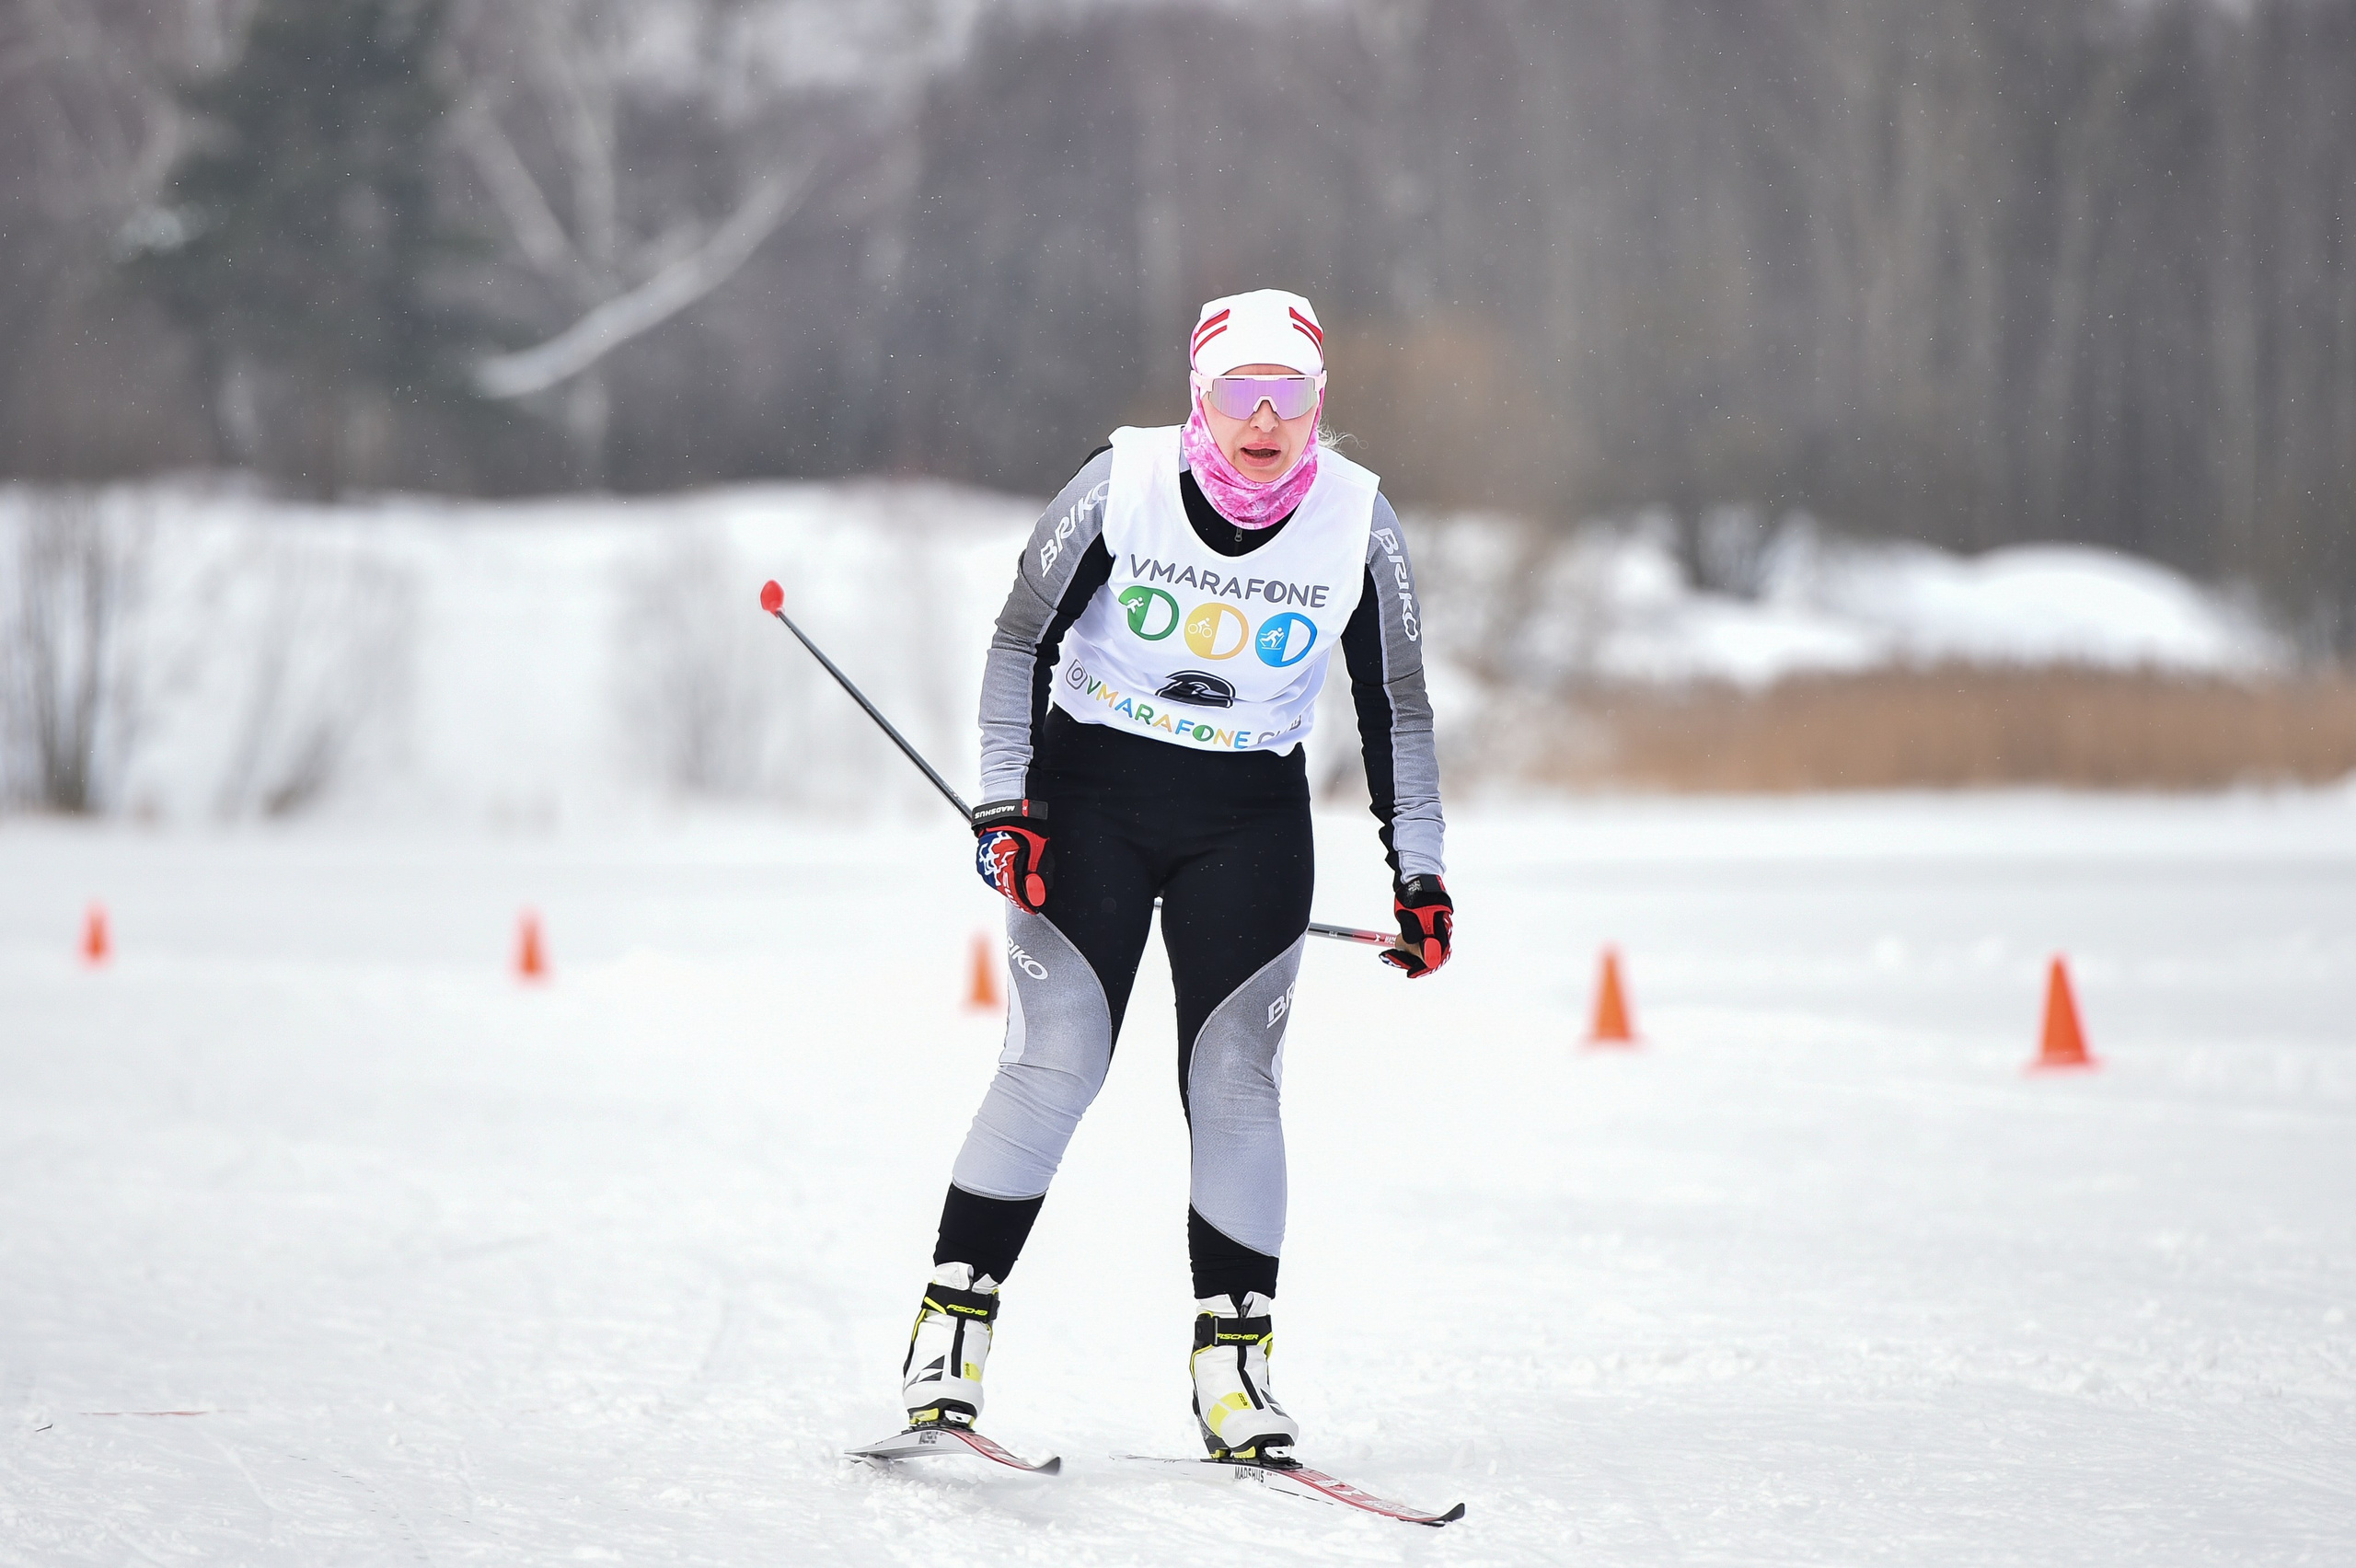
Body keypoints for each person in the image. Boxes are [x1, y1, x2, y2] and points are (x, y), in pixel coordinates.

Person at [898, 288, 1450, 1463]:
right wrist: (1007, 803)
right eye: (1238, 393)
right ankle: (948, 1344)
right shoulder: (1121, 482)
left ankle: (1233, 1373)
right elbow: (1018, 643)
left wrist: (1421, 872)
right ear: (1199, 397)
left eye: (1288, 394)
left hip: (1246, 816)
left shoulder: (1359, 520)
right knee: (1057, 1064)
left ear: (1317, 405)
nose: (1264, 418)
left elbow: (1394, 702)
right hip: (1088, 801)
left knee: (1237, 1081)